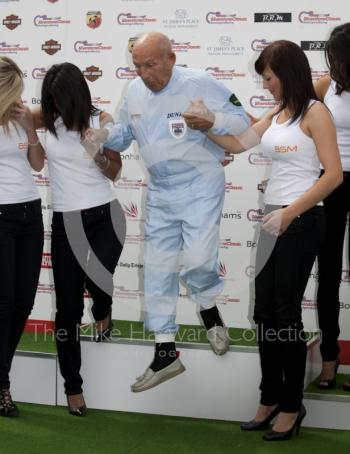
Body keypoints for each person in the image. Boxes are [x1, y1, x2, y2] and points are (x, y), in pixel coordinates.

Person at [187, 40, 343, 440]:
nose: (266, 85)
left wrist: (292, 212)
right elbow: (237, 144)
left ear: (287, 74)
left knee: (286, 317)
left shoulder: (316, 113)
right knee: (265, 315)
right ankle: (269, 396)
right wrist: (207, 130)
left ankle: (292, 405)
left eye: (269, 77)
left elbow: (333, 176)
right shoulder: (279, 113)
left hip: (301, 221)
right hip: (274, 222)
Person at [85, 31, 250, 392]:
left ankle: (209, 310)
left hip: (201, 183)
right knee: (158, 269)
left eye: (151, 64)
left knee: (198, 259)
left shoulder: (200, 83)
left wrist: (213, 122)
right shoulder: (134, 92)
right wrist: (100, 135)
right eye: (138, 65)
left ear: (171, 59)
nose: (144, 72)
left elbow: (244, 121)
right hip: (160, 189)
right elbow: (124, 134)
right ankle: (165, 351)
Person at [33, 62, 125, 416]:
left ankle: (103, 309)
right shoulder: (46, 117)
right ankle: (74, 387)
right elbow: (15, 114)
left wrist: (98, 154)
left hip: (106, 218)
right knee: (68, 308)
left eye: (60, 98)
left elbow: (116, 172)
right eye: (50, 99)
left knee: (99, 280)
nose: (55, 104)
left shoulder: (102, 121)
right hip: (66, 221)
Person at [0, 57, 44, 417]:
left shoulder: (21, 116)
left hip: (30, 213)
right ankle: (2, 385)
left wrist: (30, 129)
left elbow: (37, 164)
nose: (20, 97)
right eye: (14, 90)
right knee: (2, 305)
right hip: (0, 216)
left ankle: (0, 379)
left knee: (22, 304)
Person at [314, 23, 350, 391]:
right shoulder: (326, 86)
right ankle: (329, 357)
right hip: (331, 181)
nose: (333, 63)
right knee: (328, 275)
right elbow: (295, 118)